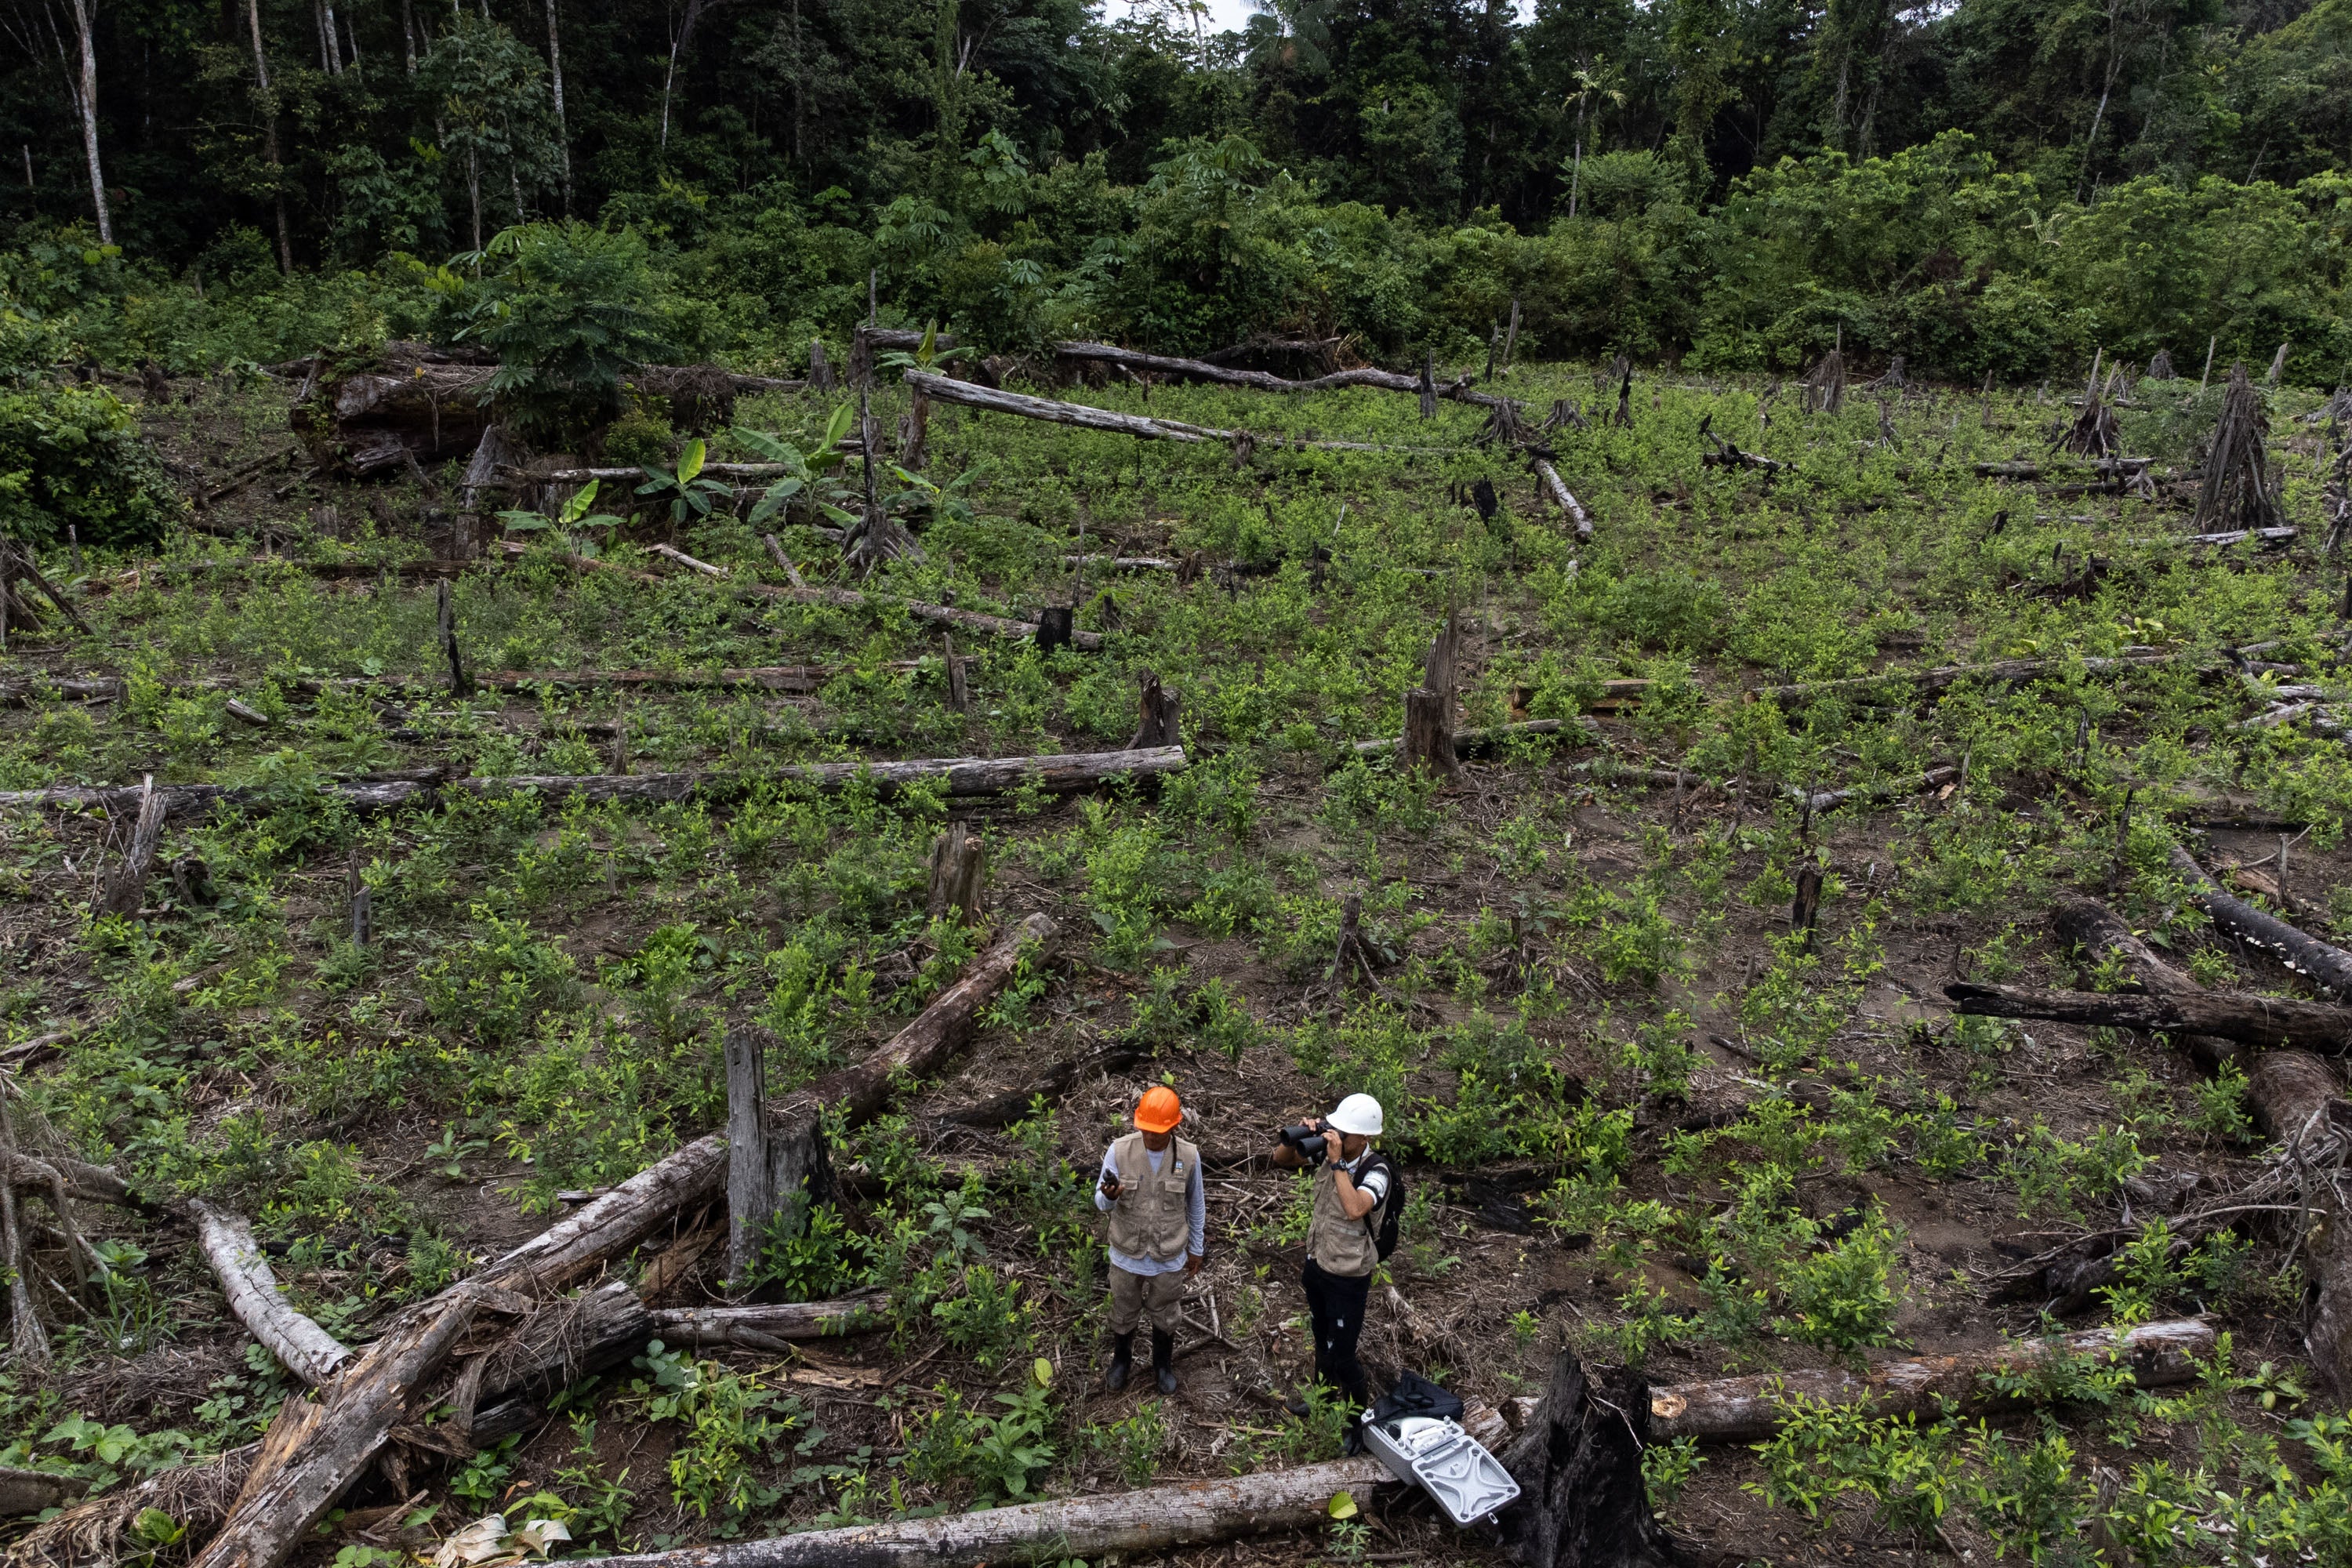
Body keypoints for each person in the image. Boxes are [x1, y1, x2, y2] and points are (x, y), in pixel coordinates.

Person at [1269, 1093, 1390, 1413]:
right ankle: (1321, 1403)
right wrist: (1302, 1133)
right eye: (1334, 1128)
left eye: (1344, 1132)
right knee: (1322, 1339)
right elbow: (1281, 1159)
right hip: (1319, 1263)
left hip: (1349, 1276)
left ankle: (1355, 1422)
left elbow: (1355, 1208)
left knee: (1344, 1354)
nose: (1335, 1136)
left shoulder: (1377, 1172)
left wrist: (1338, 1162)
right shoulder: (1328, 1155)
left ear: (1364, 1137)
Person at [1094, 1083, 1203, 1395]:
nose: (1151, 1137)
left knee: (1166, 1312)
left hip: (1168, 1254)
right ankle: (1121, 1362)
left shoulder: (1189, 1156)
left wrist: (1196, 1248)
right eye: (1146, 1130)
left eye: (1158, 1132)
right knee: (1123, 1308)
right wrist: (1110, 1198)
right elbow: (1099, 1203)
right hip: (1126, 1251)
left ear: (1174, 1126)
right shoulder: (1119, 1150)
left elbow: (1196, 1204)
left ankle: (1162, 1366)